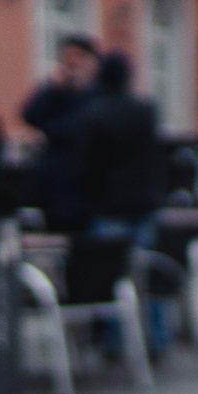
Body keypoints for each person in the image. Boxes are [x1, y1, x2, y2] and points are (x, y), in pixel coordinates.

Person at [72, 52, 171, 356]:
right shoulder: (146, 110)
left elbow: (85, 163)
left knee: (111, 275)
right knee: (146, 272)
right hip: (143, 201)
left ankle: (114, 341)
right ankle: (157, 338)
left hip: (109, 204)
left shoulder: (95, 113)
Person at [19, 33, 99, 233]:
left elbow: (77, 128)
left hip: (86, 186)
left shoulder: (96, 95)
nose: (71, 63)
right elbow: (30, 114)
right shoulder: (56, 92)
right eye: (67, 58)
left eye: (77, 57)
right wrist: (53, 87)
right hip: (55, 187)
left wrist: (48, 131)